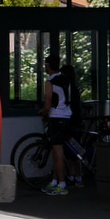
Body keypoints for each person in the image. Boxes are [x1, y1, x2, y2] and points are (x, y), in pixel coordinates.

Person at [40, 54, 75, 195]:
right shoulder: (67, 79)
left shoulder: (50, 82)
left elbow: (48, 103)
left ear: (48, 66)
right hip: (67, 116)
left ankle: (62, 184)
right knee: (57, 151)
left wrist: (43, 112)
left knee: (58, 152)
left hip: (56, 117)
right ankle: (55, 181)